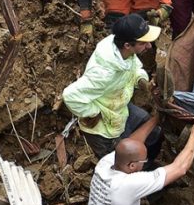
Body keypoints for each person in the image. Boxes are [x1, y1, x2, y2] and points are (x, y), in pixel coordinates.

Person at [62, 14, 163, 161]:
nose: (148, 46)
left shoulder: (123, 50)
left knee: (151, 130)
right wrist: (94, 113)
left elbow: (134, 67)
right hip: (103, 128)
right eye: (143, 43)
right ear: (128, 45)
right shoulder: (104, 73)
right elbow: (70, 96)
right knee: (120, 162)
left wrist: (143, 82)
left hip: (119, 107)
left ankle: (147, 166)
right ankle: (134, 176)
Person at [85, 118, 194, 205]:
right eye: (144, 161)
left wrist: (156, 118)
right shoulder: (128, 185)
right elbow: (180, 168)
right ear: (132, 166)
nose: (146, 162)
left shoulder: (105, 164)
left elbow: (132, 142)